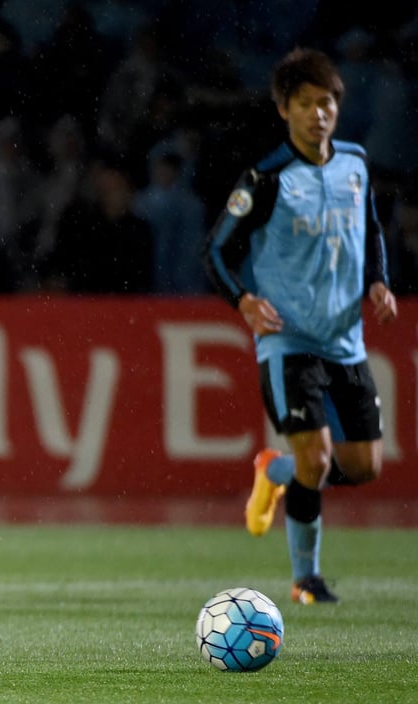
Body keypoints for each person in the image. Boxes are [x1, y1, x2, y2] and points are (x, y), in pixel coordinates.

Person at [203, 48, 398, 605]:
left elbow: (371, 230)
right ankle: (305, 578)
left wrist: (377, 281)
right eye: (307, 104)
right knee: (319, 459)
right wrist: (243, 302)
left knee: (364, 467)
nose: (319, 113)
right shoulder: (266, 179)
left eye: (328, 102)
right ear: (284, 109)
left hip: (346, 340)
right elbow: (215, 251)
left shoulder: (356, 164)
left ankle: (277, 468)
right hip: (287, 340)